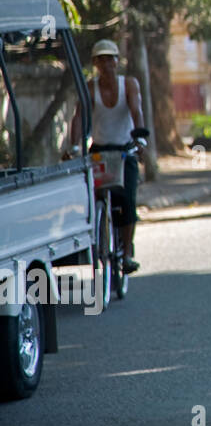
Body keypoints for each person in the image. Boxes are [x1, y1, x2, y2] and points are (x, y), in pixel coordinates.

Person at [85, 40, 147, 274]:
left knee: (128, 201)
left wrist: (139, 137)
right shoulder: (90, 87)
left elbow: (136, 110)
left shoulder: (129, 84)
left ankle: (127, 253)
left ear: (117, 61)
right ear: (95, 63)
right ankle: (99, 239)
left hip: (124, 150)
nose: (106, 63)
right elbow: (79, 116)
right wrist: (74, 144)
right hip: (100, 151)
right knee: (94, 198)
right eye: (101, 59)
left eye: (110, 58)